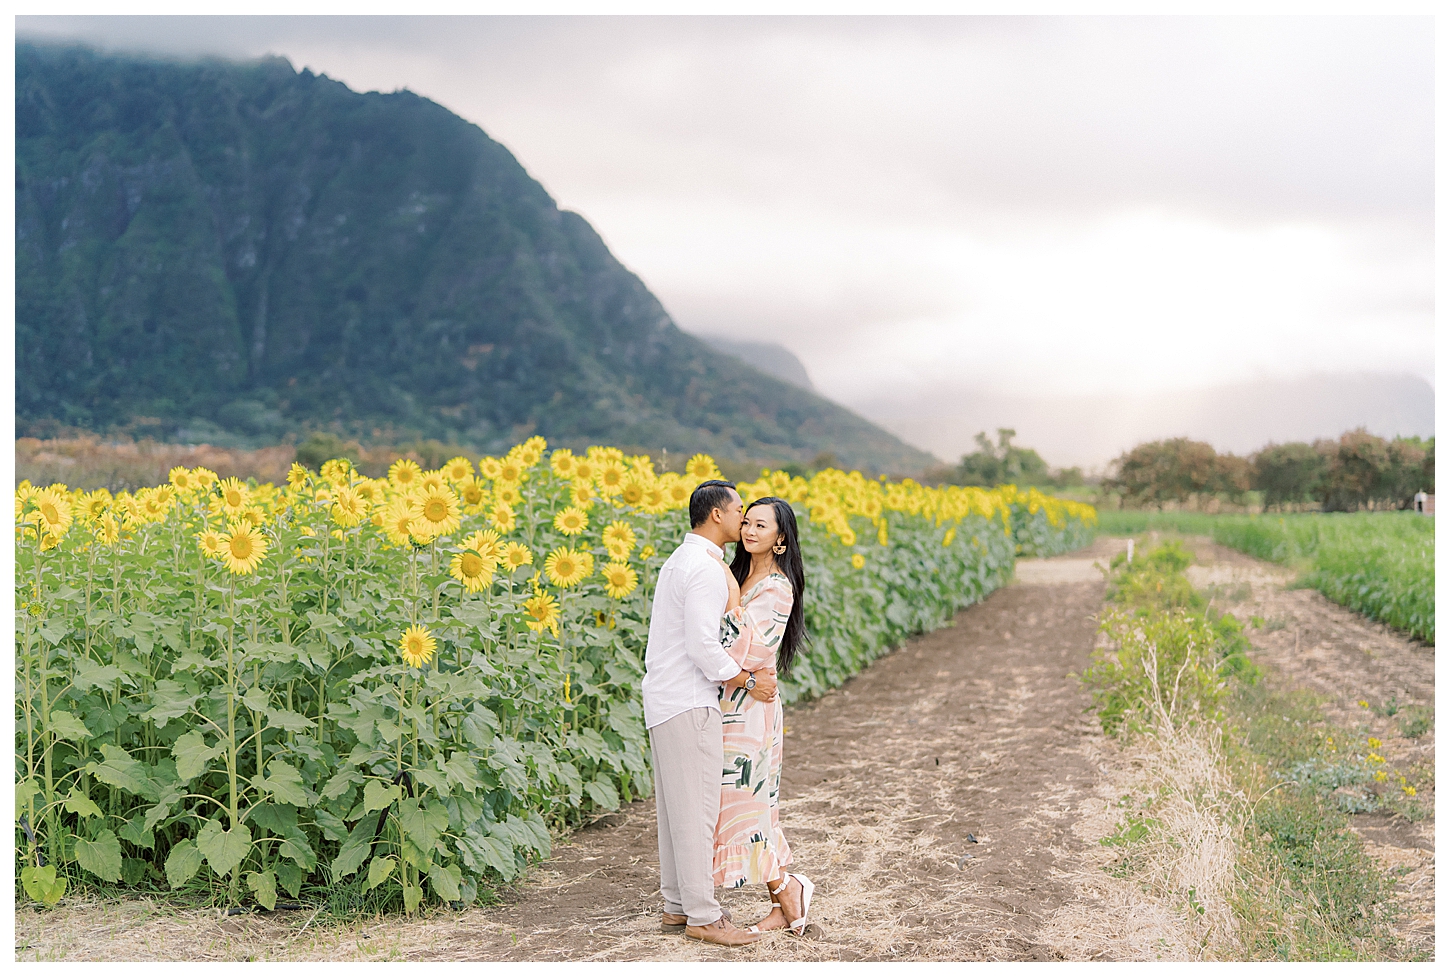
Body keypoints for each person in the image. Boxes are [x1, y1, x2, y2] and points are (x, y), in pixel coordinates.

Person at [642, 479, 778, 947]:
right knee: (697, 811)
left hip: (664, 699)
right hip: (688, 700)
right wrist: (747, 680)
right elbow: (703, 643)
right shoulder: (701, 568)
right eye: (740, 509)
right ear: (717, 514)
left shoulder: (680, 561)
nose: (744, 518)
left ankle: (677, 906)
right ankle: (704, 915)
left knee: (675, 809)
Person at [713, 496, 816, 935]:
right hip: (724, 702)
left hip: (751, 711)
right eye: (747, 522)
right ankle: (786, 896)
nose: (751, 531)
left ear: (780, 540)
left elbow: (749, 650)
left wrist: (732, 596)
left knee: (747, 805)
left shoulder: (775, 587)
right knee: (738, 804)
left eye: (762, 526)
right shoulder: (737, 573)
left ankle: (786, 888)